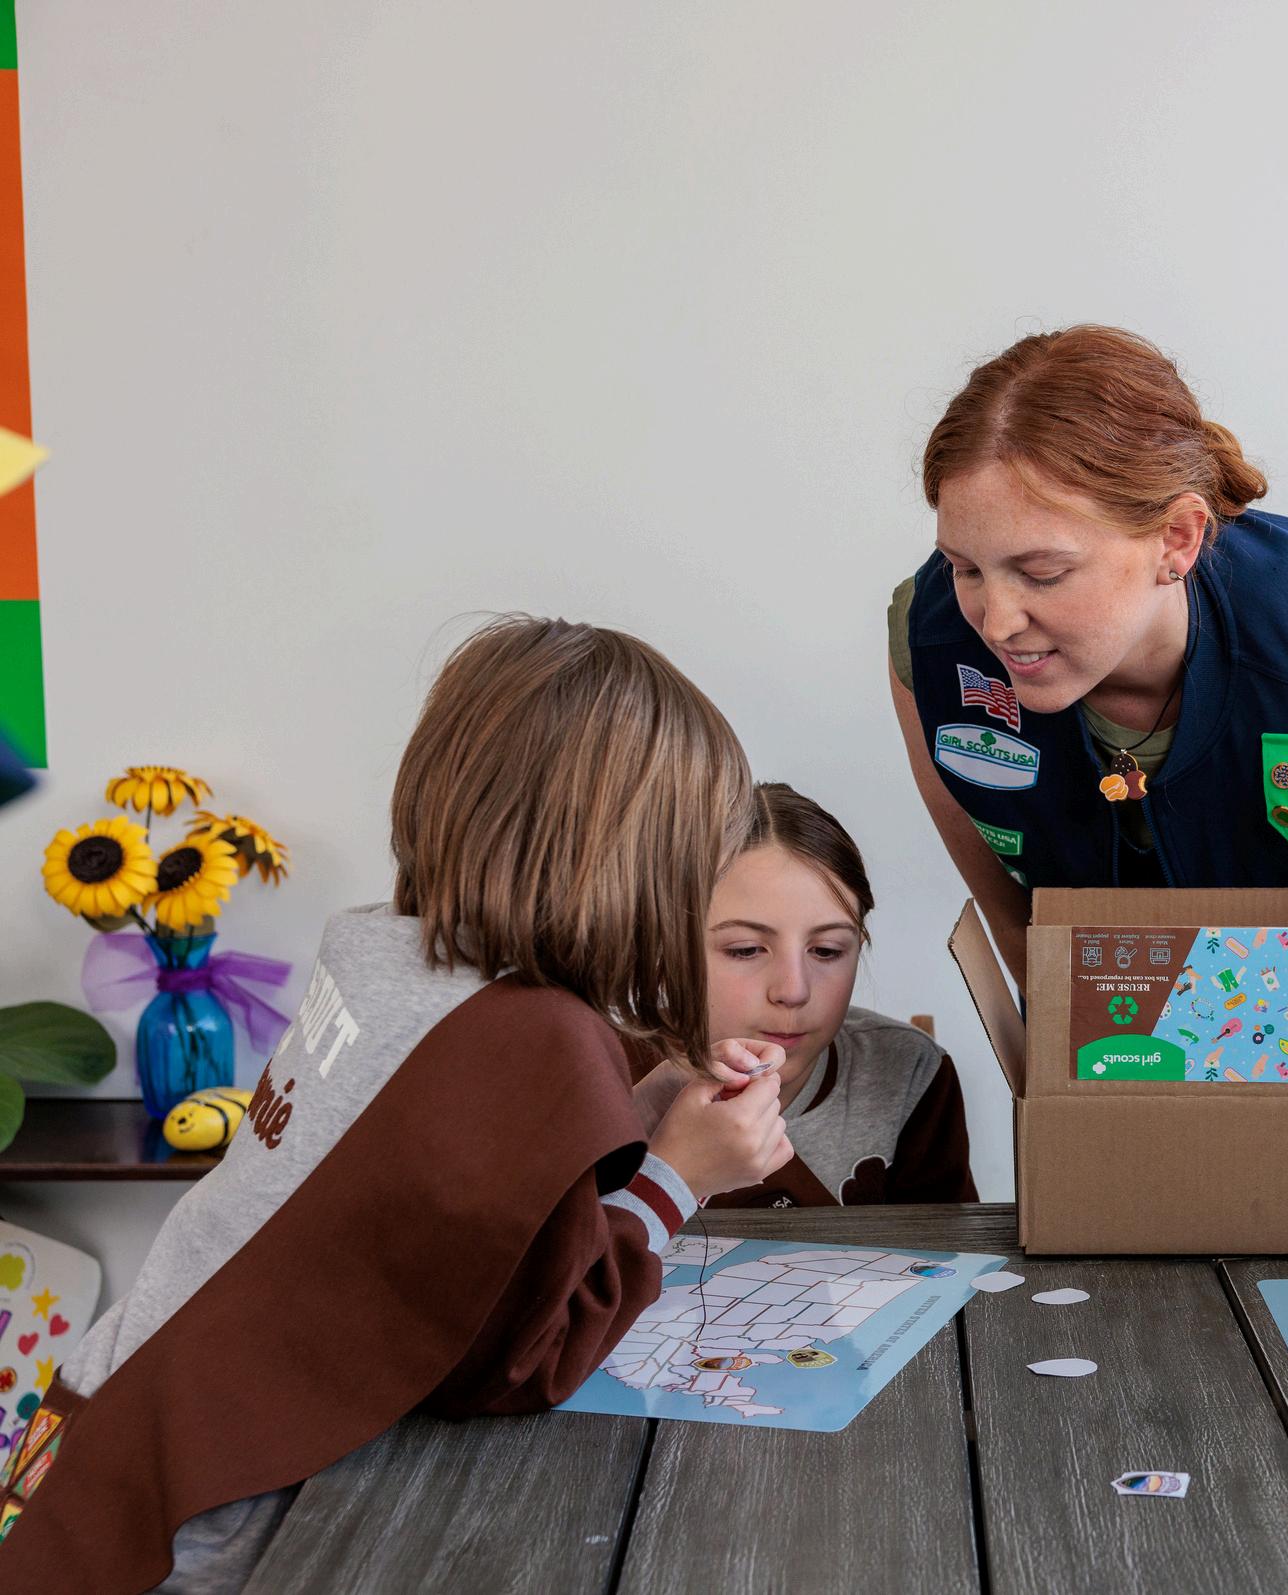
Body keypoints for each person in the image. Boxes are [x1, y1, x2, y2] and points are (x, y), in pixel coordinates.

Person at [0, 617, 795, 1590]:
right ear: (639, 863)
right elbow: (517, 1364)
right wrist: (679, 1178)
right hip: (197, 1516)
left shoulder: (383, 947)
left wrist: (651, 1085)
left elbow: (450, 1124)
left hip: (98, 1432)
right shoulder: (534, 1041)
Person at [889, 325, 1288, 977]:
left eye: (1043, 572)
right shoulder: (928, 641)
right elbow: (1021, 935)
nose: (997, 623)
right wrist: (1061, 1026)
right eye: (965, 568)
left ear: (1177, 538)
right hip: (1121, 970)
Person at [633, 782, 976, 1206]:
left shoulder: (911, 1072)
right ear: (669, 945)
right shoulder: (603, 1066)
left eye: (827, 951)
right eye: (746, 949)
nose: (793, 991)